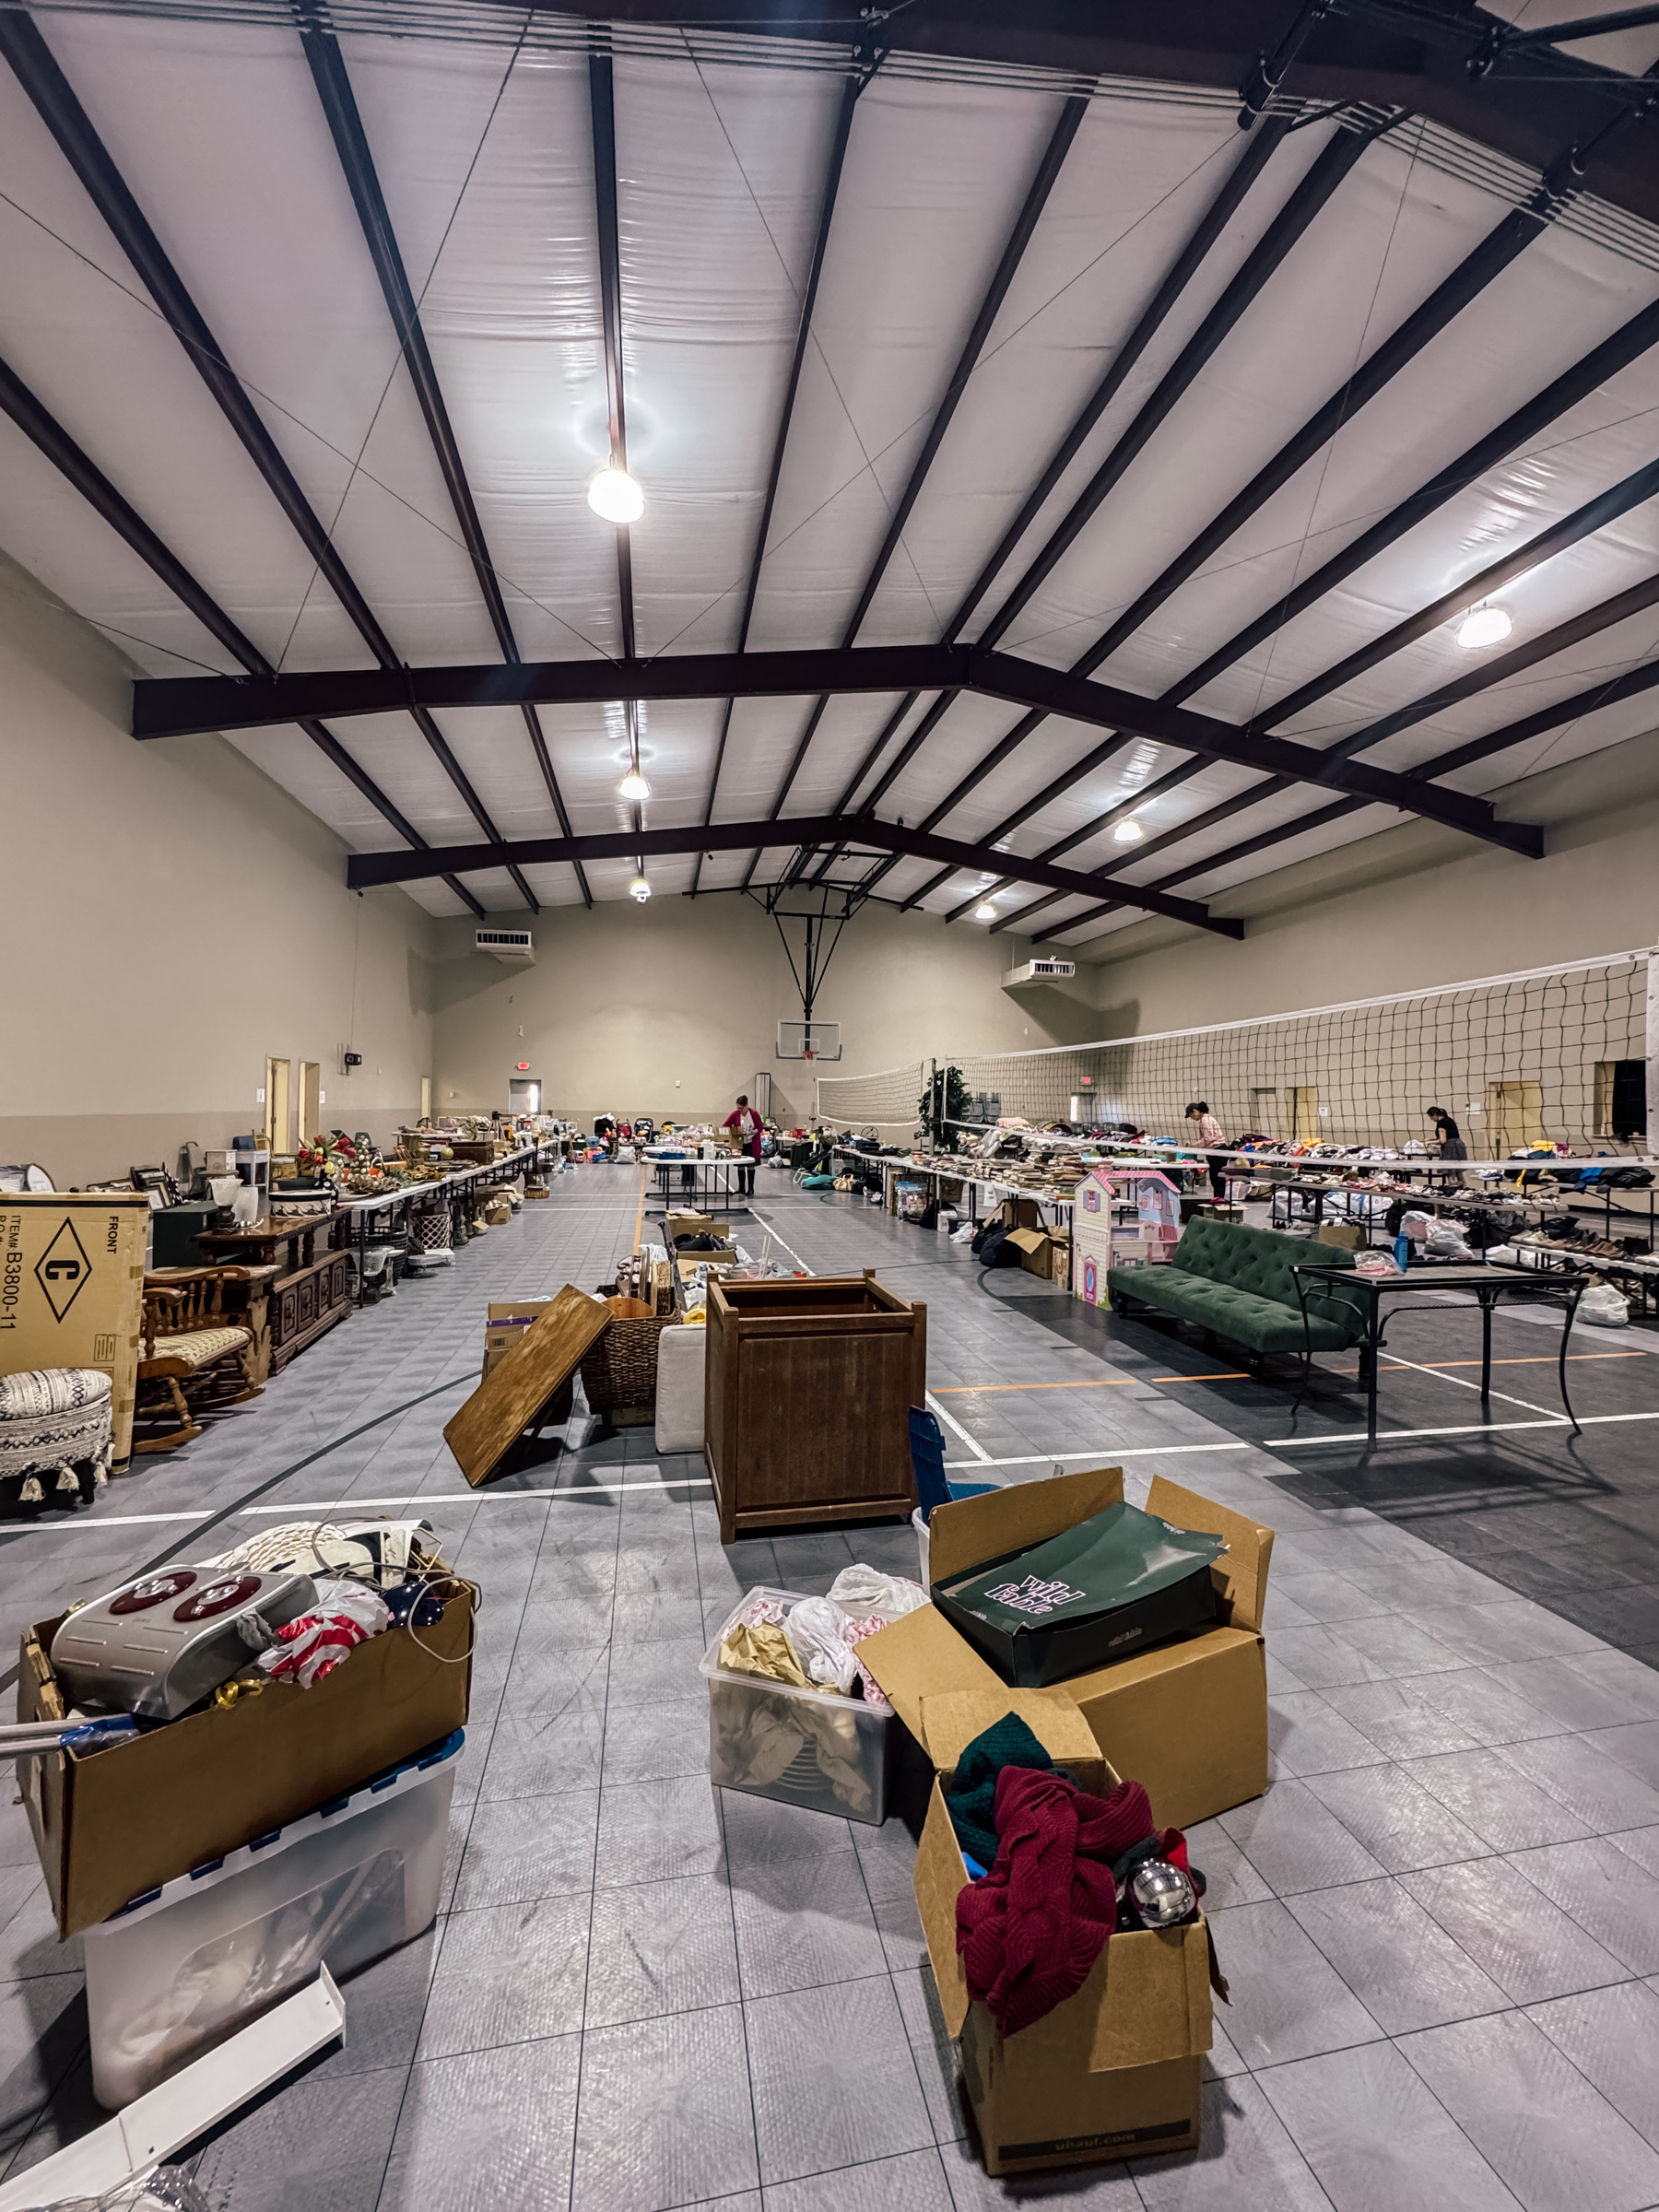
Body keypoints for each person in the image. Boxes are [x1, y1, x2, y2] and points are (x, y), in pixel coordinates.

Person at [1186, 1101, 1228, 1202]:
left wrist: (1192, 1146)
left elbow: (1208, 1139)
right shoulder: (1206, 1118)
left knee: (1217, 1180)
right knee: (1216, 1180)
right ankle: (1217, 1200)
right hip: (1215, 1152)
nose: (1191, 1118)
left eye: (1190, 1115)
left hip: (1218, 1152)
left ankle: (1219, 1201)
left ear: (1195, 1111)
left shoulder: (1205, 1119)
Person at [724, 1093, 763, 1197]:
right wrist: (734, 1132)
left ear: (746, 1106)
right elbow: (726, 1125)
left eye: (741, 1108)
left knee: (750, 1166)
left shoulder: (754, 1113)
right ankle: (741, 1188)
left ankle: (751, 1188)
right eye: (738, 1107)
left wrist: (755, 1131)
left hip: (751, 1142)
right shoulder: (735, 1114)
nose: (739, 1109)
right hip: (740, 1144)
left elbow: (760, 1127)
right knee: (740, 1166)